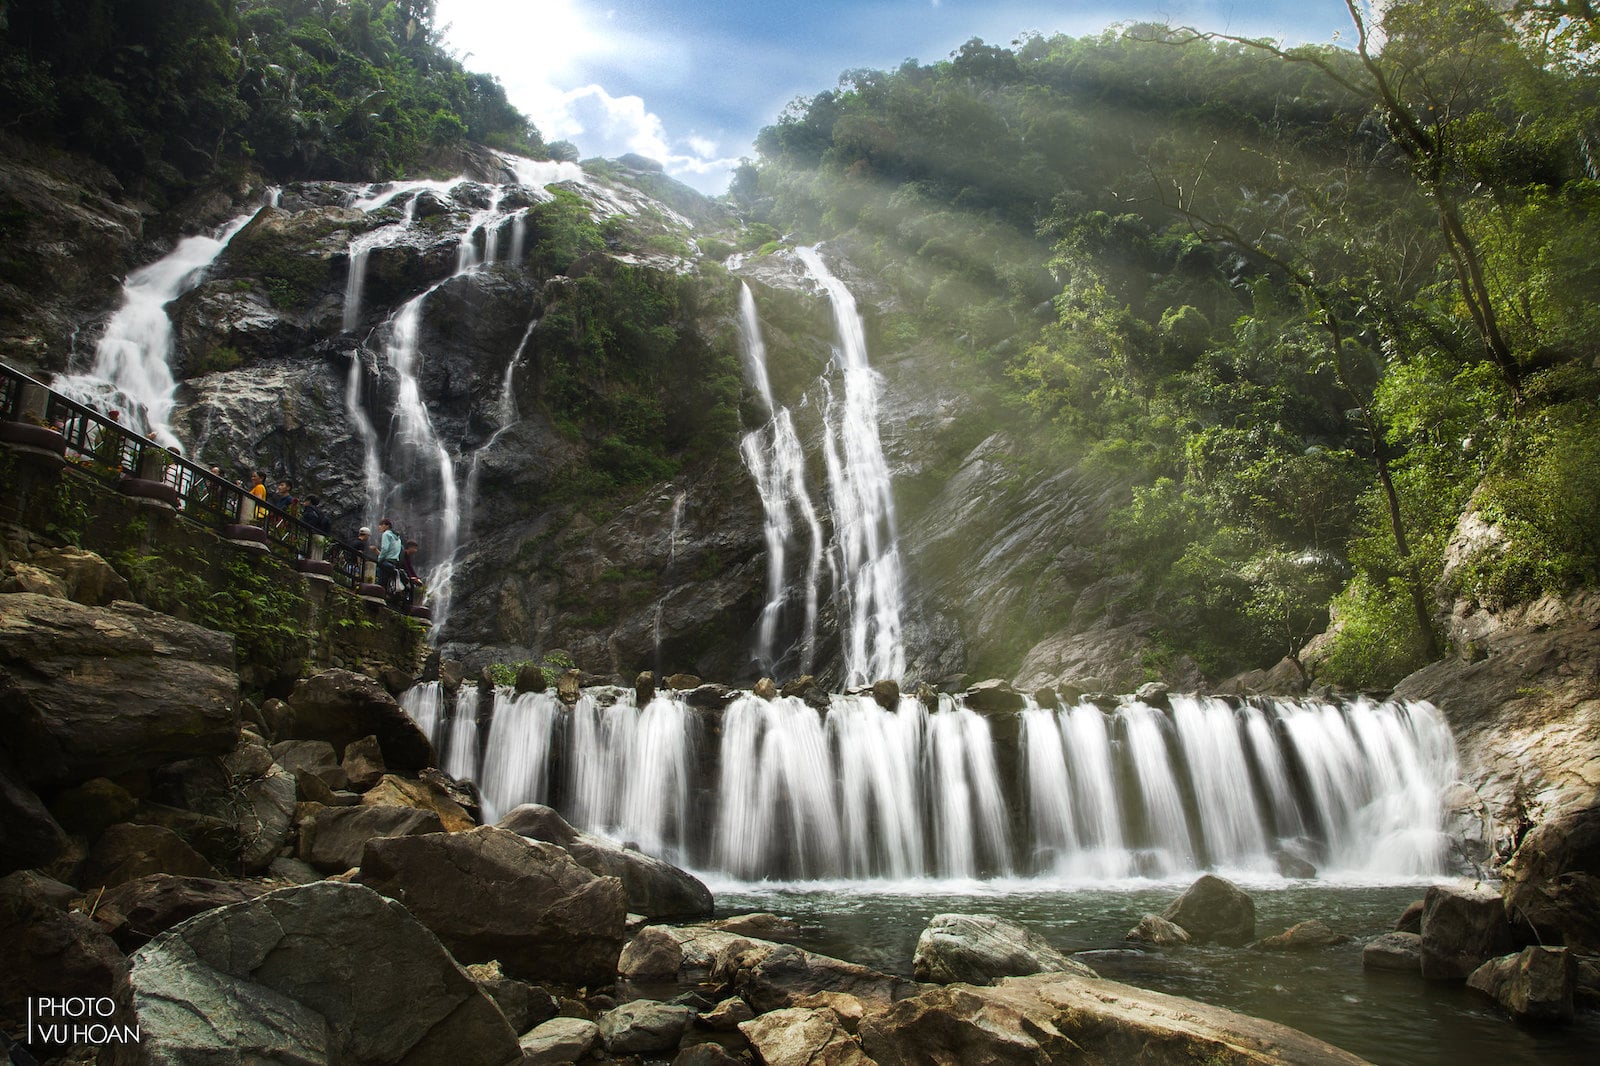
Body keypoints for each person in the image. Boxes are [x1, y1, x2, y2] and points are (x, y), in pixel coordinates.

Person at [376, 517, 402, 592]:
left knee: (379, 580)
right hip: (394, 562)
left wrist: (379, 559)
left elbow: (385, 548)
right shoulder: (397, 537)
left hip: (386, 561)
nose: (379, 527)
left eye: (381, 525)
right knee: (386, 582)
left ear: (386, 526)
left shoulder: (386, 534)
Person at [397, 539, 424, 609]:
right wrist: (411, 577)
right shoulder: (403, 554)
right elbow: (405, 566)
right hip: (400, 573)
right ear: (410, 547)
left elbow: (410, 567)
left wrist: (416, 577)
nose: (416, 550)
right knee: (409, 587)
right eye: (415, 548)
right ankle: (405, 605)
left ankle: (409, 605)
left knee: (411, 587)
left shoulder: (408, 556)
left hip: (405, 575)